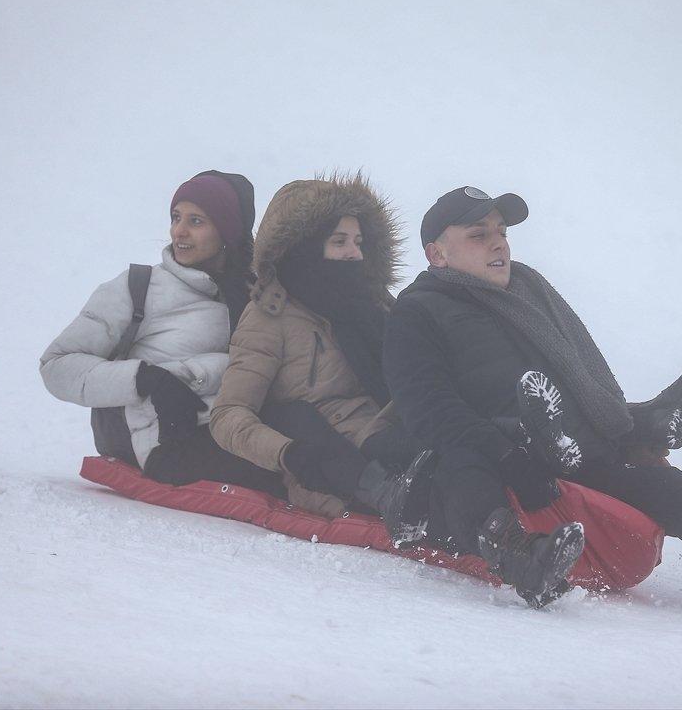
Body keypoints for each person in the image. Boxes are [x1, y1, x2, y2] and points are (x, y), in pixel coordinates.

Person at [382, 186, 682, 630]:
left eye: (502, 233)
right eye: (478, 234)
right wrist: (508, 453)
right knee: (459, 454)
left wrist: (617, 428)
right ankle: (523, 556)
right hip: (491, 462)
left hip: (568, 444)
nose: (498, 244)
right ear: (436, 254)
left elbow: (580, 379)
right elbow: (429, 412)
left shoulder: (528, 292)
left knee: (666, 487)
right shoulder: (418, 312)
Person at [209, 174, 435, 546]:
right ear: (304, 246)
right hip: (342, 455)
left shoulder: (374, 305)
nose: (353, 253)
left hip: (401, 421)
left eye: (359, 242)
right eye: (339, 241)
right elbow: (228, 414)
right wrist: (288, 454)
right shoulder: (270, 317)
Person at [40, 170, 282, 493]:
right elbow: (56, 365)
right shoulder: (138, 287)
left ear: (226, 232)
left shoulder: (255, 295)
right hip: (162, 440)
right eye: (176, 217)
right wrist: (145, 379)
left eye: (196, 221)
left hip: (230, 425)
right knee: (286, 470)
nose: (178, 231)